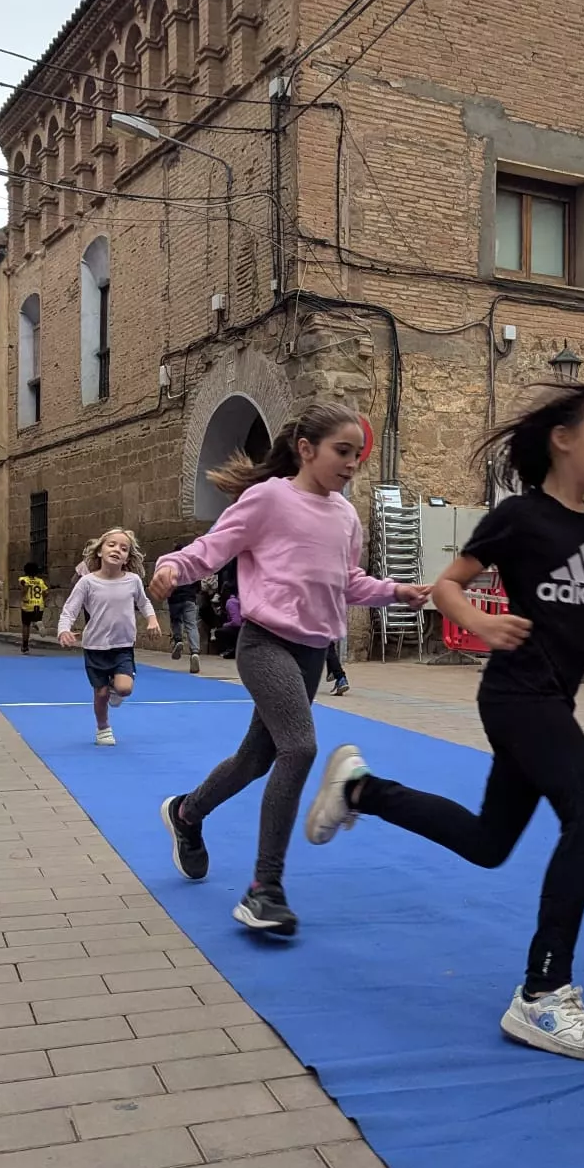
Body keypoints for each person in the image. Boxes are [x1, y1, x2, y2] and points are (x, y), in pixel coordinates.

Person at [302, 383, 584, 1060]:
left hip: (553, 697)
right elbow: (447, 586)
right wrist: (482, 623)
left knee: (490, 841)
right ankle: (543, 994)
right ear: (562, 439)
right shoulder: (520, 517)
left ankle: (360, 790)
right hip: (519, 696)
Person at [147, 401, 427, 937]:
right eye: (342, 452)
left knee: (256, 759)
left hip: (311, 655)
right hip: (265, 644)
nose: (351, 464)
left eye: (358, 456)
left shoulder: (346, 516)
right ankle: (264, 889)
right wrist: (171, 566)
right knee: (299, 747)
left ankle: (187, 813)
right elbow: (212, 548)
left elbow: (348, 581)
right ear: (306, 449)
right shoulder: (268, 499)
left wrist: (395, 591)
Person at [57, 527, 161, 745]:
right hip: (95, 647)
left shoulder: (132, 581)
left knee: (124, 688)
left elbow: (144, 603)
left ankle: (116, 689)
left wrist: (152, 620)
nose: (117, 550)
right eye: (111, 545)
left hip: (122, 645)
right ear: (99, 552)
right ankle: (103, 728)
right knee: (101, 693)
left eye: (124, 548)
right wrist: (63, 629)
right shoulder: (87, 582)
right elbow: (70, 609)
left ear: (127, 558)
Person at [168, 579, 202, 673]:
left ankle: (178, 640)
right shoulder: (191, 566)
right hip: (189, 598)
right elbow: (198, 585)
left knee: (176, 620)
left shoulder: (171, 565)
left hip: (174, 598)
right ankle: (195, 652)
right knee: (192, 625)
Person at [18, 563, 48, 654]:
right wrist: (41, 599)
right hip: (39, 605)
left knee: (26, 625)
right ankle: (37, 624)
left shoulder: (23, 579)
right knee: (37, 619)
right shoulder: (40, 581)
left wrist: (23, 596)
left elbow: (24, 589)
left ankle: (25, 646)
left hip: (27, 605)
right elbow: (46, 592)